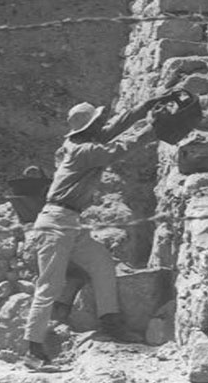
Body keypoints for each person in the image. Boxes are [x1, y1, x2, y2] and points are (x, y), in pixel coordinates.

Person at [24, 95, 164, 367]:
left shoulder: (79, 143)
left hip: (70, 222)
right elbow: (119, 148)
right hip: (56, 224)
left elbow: (115, 128)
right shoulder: (84, 151)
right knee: (49, 287)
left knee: (101, 264)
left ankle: (109, 320)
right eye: (97, 122)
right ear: (88, 128)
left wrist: (144, 108)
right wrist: (153, 130)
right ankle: (33, 349)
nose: (102, 124)